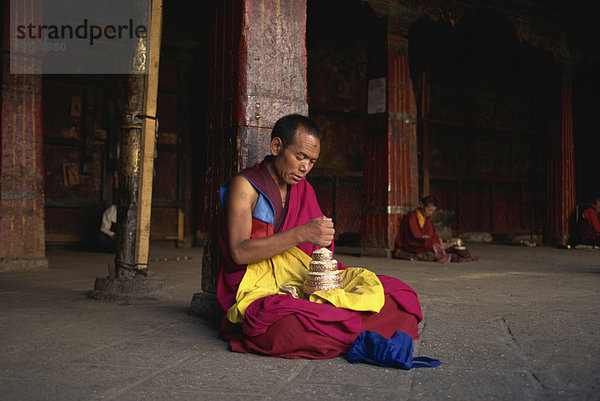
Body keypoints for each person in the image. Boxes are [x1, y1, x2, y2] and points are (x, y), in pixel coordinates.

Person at [217, 114, 423, 359]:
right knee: (281, 326)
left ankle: (338, 329)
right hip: (255, 282)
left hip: (297, 274)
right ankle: (352, 328)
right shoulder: (246, 186)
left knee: (400, 296)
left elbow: (319, 250)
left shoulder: (302, 189)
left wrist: (323, 239)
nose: (305, 167)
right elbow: (239, 253)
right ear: (276, 147)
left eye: (312, 161)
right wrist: (301, 233)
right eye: (300, 157)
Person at [394, 195, 474, 263]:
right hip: (413, 243)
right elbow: (414, 235)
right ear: (422, 205)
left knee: (449, 242)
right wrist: (427, 238)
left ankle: (447, 247)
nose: (430, 213)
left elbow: (431, 233)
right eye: (429, 210)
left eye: (432, 211)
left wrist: (438, 240)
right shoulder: (412, 217)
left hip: (426, 241)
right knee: (433, 245)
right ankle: (445, 248)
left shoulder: (427, 218)